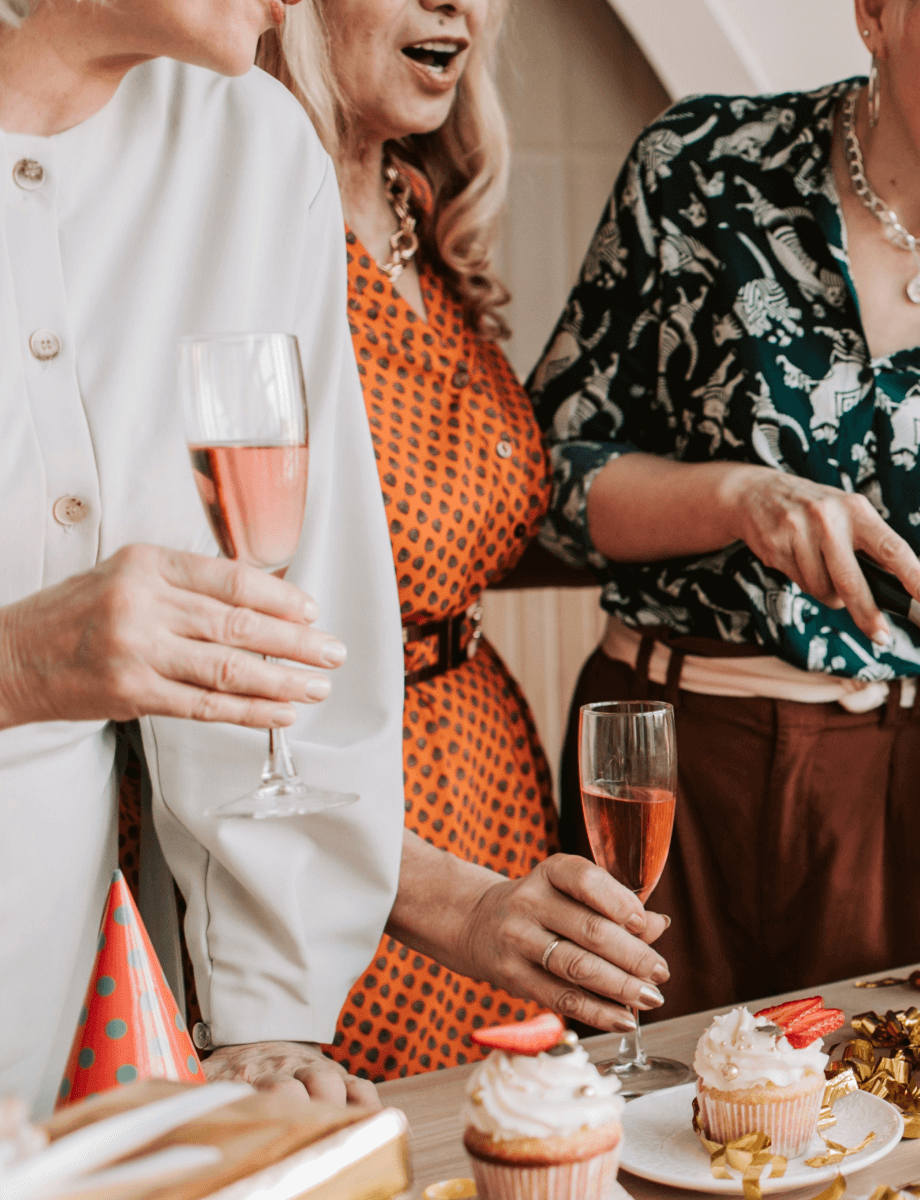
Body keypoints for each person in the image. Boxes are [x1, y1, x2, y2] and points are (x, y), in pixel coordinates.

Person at [529, 0, 920, 1018]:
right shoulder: (697, 171)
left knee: (904, 1152)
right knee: (639, 1133)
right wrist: (739, 498)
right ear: (877, 12)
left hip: (918, 804)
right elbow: (548, 487)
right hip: (667, 768)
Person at [256, 0, 672, 1079]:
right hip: (331, 800)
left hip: (488, 775)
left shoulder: (411, 203)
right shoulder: (241, 223)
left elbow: (454, 523)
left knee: (519, 1138)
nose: (458, 5)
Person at [0, 0, 404, 1112]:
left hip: (63, 1007)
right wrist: (21, 664)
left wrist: (269, 1011)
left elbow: (289, 605)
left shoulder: (252, 147)